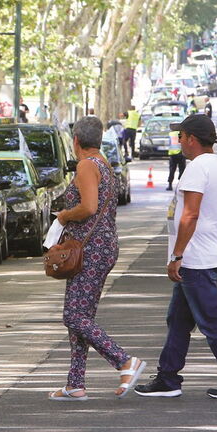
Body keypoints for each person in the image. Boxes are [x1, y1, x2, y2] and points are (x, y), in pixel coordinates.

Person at [134, 114, 217, 399]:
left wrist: (177, 254)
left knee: (211, 321)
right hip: (206, 254)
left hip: (196, 258)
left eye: (181, 136)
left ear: (192, 138)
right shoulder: (216, 166)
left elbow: (190, 214)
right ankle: (168, 377)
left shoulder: (197, 168)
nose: (178, 141)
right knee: (177, 319)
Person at [48, 116, 145, 401]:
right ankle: (75, 383)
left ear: (76, 141)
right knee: (83, 316)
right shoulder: (104, 164)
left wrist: (65, 215)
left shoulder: (86, 165)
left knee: (73, 315)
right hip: (102, 246)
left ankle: (124, 361)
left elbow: (88, 207)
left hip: (89, 249)